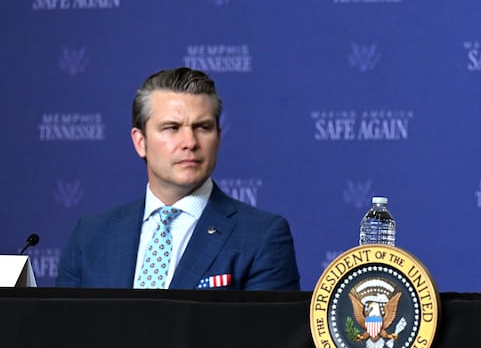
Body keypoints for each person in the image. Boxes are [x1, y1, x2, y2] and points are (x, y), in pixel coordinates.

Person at [57, 67, 300, 290]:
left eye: (202, 127)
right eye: (172, 128)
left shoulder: (261, 237)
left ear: (218, 137)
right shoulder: (89, 236)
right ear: (140, 142)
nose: (190, 143)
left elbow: (266, 326)